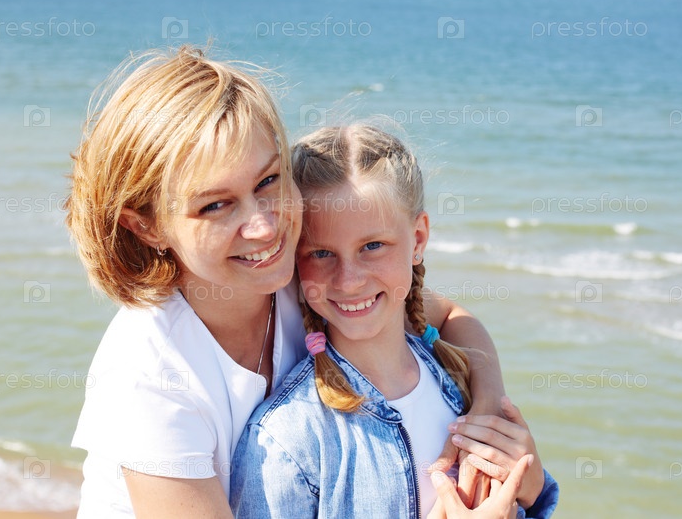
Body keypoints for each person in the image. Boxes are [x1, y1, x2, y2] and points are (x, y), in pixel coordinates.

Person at [66, 46, 523, 517]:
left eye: (267, 181)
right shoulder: (149, 372)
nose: (265, 228)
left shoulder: (295, 277)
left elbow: (449, 317)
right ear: (147, 226)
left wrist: (486, 412)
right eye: (215, 205)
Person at [230, 124, 558, 518]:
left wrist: (532, 492)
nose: (348, 280)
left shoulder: (457, 383)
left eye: (372, 246)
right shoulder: (287, 439)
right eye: (321, 253)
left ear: (418, 240)